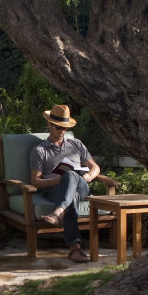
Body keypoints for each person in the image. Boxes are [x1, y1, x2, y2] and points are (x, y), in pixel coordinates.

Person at [29, 104, 101, 263]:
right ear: (49, 124)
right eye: (58, 127)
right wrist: (55, 180)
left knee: (71, 175)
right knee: (72, 195)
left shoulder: (76, 144)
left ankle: (58, 213)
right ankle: (75, 248)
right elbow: (35, 181)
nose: (61, 130)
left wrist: (87, 177)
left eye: (64, 127)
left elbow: (95, 167)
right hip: (55, 188)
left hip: (82, 185)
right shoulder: (39, 151)